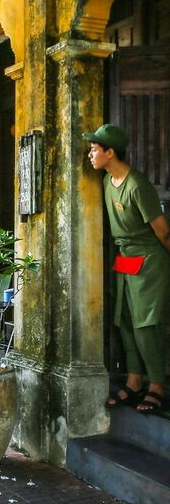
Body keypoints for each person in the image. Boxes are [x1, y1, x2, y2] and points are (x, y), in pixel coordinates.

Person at [83, 123, 170, 414]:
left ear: (110, 152)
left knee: (146, 324)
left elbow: (162, 232)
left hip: (149, 259)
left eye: (95, 150)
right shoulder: (108, 182)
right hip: (125, 258)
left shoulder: (138, 185)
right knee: (126, 322)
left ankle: (156, 385)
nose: (90, 154)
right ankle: (134, 381)